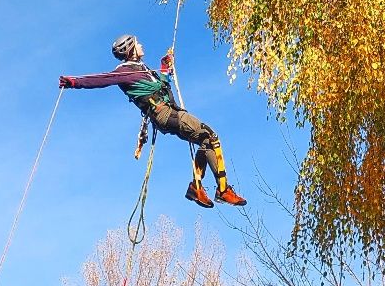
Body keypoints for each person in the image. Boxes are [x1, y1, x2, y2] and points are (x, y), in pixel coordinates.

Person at [59, 34, 247, 209]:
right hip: (164, 114)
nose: (141, 45)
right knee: (210, 136)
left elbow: (162, 83)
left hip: (169, 113)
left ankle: (196, 187)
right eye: (137, 43)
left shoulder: (144, 69)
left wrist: (165, 65)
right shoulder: (124, 71)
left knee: (206, 142)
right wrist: (74, 82)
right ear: (130, 49)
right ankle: (222, 190)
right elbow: (101, 80)